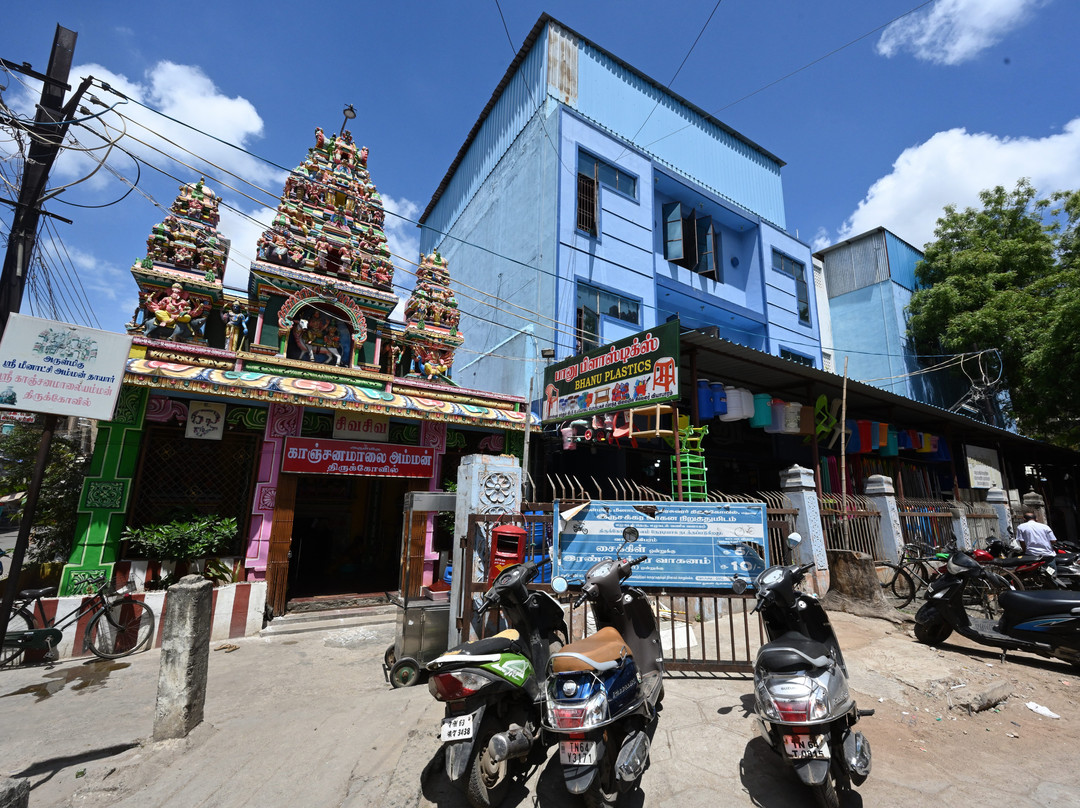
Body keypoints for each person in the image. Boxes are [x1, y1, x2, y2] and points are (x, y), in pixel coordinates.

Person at [1015, 510, 1059, 575]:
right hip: (1048, 555)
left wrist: (1024, 551)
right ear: (1036, 519)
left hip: (1032, 556)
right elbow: (1053, 540)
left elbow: (1022, 542)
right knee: (1051, 574)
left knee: (1033, 575)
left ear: (1024, 519)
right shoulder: (1045, 527)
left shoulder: (1021, 527)